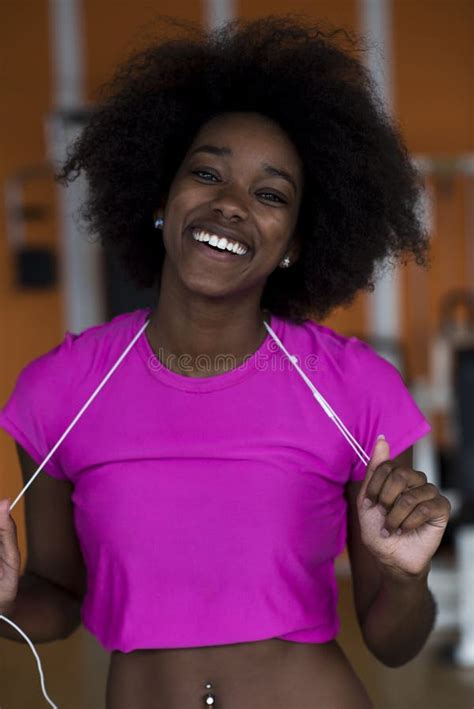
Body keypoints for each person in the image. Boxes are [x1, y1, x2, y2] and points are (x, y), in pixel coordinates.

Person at [0, 16, 451, 709]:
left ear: (295, 243)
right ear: (161, 198)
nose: (232, 205)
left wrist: (407, 577)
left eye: (270, 194)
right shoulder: (63, 392)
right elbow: (56, 596)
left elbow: (394, 640)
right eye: (207, 172)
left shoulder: (353, 390)